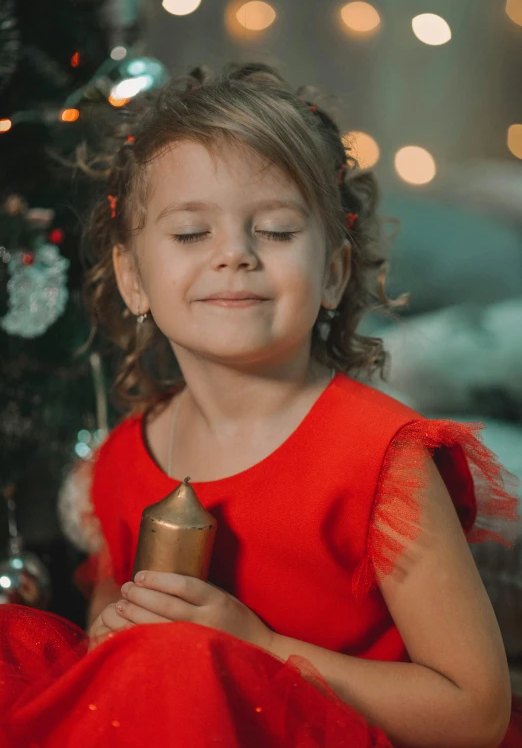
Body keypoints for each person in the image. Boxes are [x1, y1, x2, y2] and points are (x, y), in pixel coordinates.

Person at [1, 61, 521, 748]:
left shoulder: (379, 458)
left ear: (332, 274)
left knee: (177, 661)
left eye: (274, 231)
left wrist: (260, 648)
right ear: (133, 277)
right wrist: (114, 640)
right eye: (191, 235)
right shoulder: (122, 458)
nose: (235, 256)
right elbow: (112, 665)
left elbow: (474, 714)